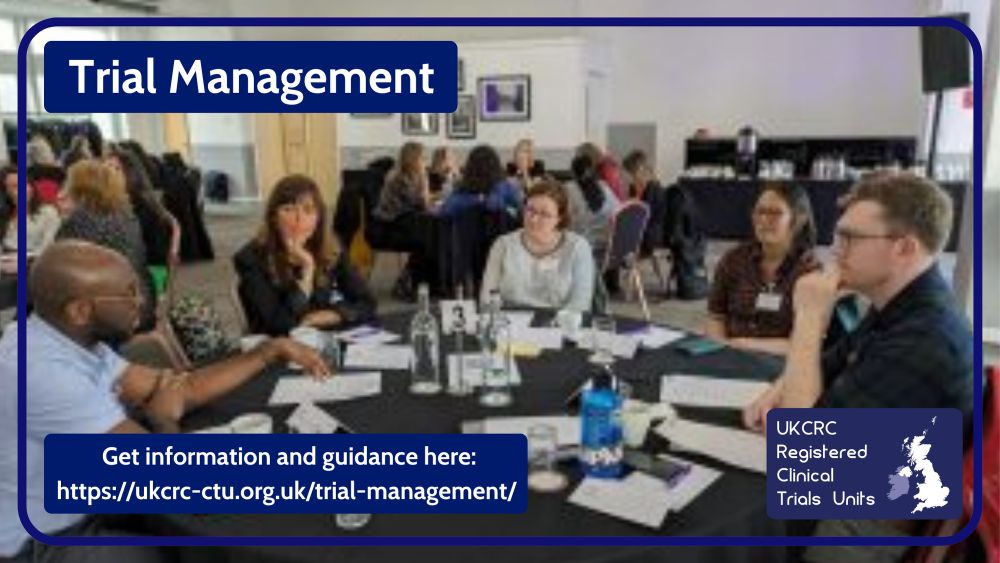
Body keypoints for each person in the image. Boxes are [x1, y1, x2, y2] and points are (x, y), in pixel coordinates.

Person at [0, 240, 329, 562]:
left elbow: (181, 389)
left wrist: (268, 352)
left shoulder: (68, 339)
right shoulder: (42, 373)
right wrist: (162, 420)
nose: (142, 301)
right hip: (44, 540)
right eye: (128, 294)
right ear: (80, 310)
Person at [742, 174, 974, 559]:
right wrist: (775, 392)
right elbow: (833, 360)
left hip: (864, 525)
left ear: (904, 248)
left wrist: (809, 318)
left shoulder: (926, 339)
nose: (835, 252)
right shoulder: (902, 304)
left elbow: (805, 453)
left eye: (850, 238)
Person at [234, 174, 376, 336]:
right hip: (275, 343)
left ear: (318, 218)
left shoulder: (332, 248)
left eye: (308, 210)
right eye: (288, 209)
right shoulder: (250, 258)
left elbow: (367, 302)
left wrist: (334, 315)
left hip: (321, 336)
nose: (299, 219)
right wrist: (307, 270)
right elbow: (280, 325)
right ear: (274, 217)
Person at [705, 183, 820, 356]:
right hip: (731, 355)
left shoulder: (810, 272)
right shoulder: (734, 259)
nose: (764, 220)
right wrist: (720, 349)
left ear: (799, 219)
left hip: (782, 362)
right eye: (760, 212)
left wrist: (745, 345)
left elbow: (805, 343)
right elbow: (716, 316)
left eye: (775, 213)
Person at [56, 159, 157, 332]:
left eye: (68, 183)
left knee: (42, 297)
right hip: (142, 301)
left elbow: (58, 266)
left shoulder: (82, 219)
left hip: (116, 311)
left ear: (81, 188)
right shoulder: (125, 214)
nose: (63, 190)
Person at [481, 180, 595, 312]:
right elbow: (487, 298)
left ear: (559, 218)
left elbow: (580, 302)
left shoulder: (577, 247)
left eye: (544, 214)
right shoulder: (503, 245)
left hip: (559, 321)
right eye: (530, 210)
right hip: (510, 320)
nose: (534, 219)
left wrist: (558, 323)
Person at [372, 142, 438, 299]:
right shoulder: (398, 178)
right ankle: (411, 283)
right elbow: (422, 204)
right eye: (422, 158)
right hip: (389, 227)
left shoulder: (411, 175)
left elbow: (420, 205)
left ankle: (417, 282)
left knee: (430, 236)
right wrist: (425, 180)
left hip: (404, 221)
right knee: (427, 239)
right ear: (413, 159)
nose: (425, 161)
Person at [438, 144, 521, 218]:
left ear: (470, 167)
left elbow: (444, 211)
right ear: (496, 166)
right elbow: (517, 214)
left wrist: (477, 200)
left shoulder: (461, 192)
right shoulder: (506, 187)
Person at [565, 154, 619, 260]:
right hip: (608, 245)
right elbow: (619, 210)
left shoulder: (569, 188)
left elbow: (566, 218)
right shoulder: (603, 185)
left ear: (573, 173)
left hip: (586, 247)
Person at [0, 164, 61, 254]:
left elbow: (47, 247)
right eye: (14, 186)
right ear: (6, 192)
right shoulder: (4, 214)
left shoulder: (48, 213)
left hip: (34, 259)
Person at [622, 149, 668, 257]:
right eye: (629, 173)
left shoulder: (655, 190)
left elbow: (653, 221)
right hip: (639, 234)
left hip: (651, 237)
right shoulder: (633, 188)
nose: (630, 176)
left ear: (642, 169)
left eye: (632, 172)